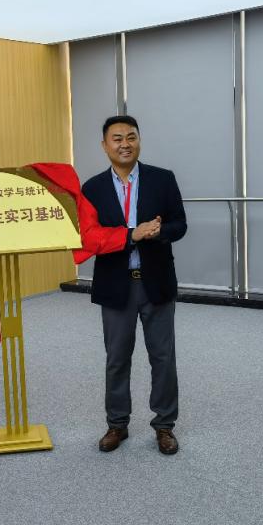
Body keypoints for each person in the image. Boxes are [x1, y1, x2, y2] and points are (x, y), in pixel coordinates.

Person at [81, 115, 187, 455]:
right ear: (104, 145)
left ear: (139, 140)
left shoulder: (162, 179)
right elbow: (89, 237)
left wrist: (158, 232)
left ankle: (165, 426)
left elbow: (180, 224)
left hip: (156, 282)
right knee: (117, 358)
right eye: (117, 138)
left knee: (163, 357)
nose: (125, 144)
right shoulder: (92, 188)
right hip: (116, 285)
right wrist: (132, 234)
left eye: (131, 137)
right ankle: (117, 424)